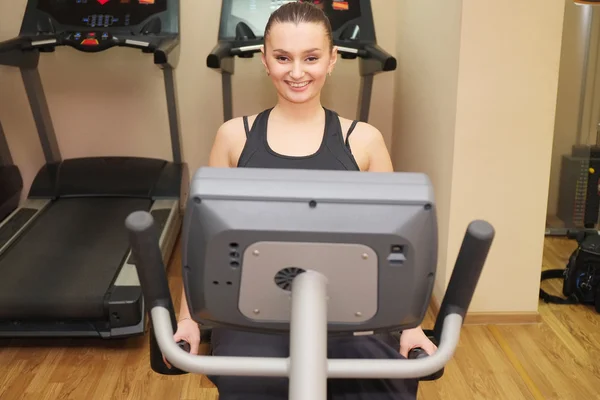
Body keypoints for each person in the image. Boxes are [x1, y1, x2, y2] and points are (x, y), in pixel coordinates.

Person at [169, 2, 437, 399]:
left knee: (380, 379)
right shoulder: (234, 137)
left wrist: (410, 326)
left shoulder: (363, 141)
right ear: (265, 60)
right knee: (251, 379)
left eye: (311, 58)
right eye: (282, 58)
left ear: (332, 60)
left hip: (349, 314)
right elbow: (202, 242)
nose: (296, 72)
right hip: (253, 314)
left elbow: (397, 247)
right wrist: (187, 320)